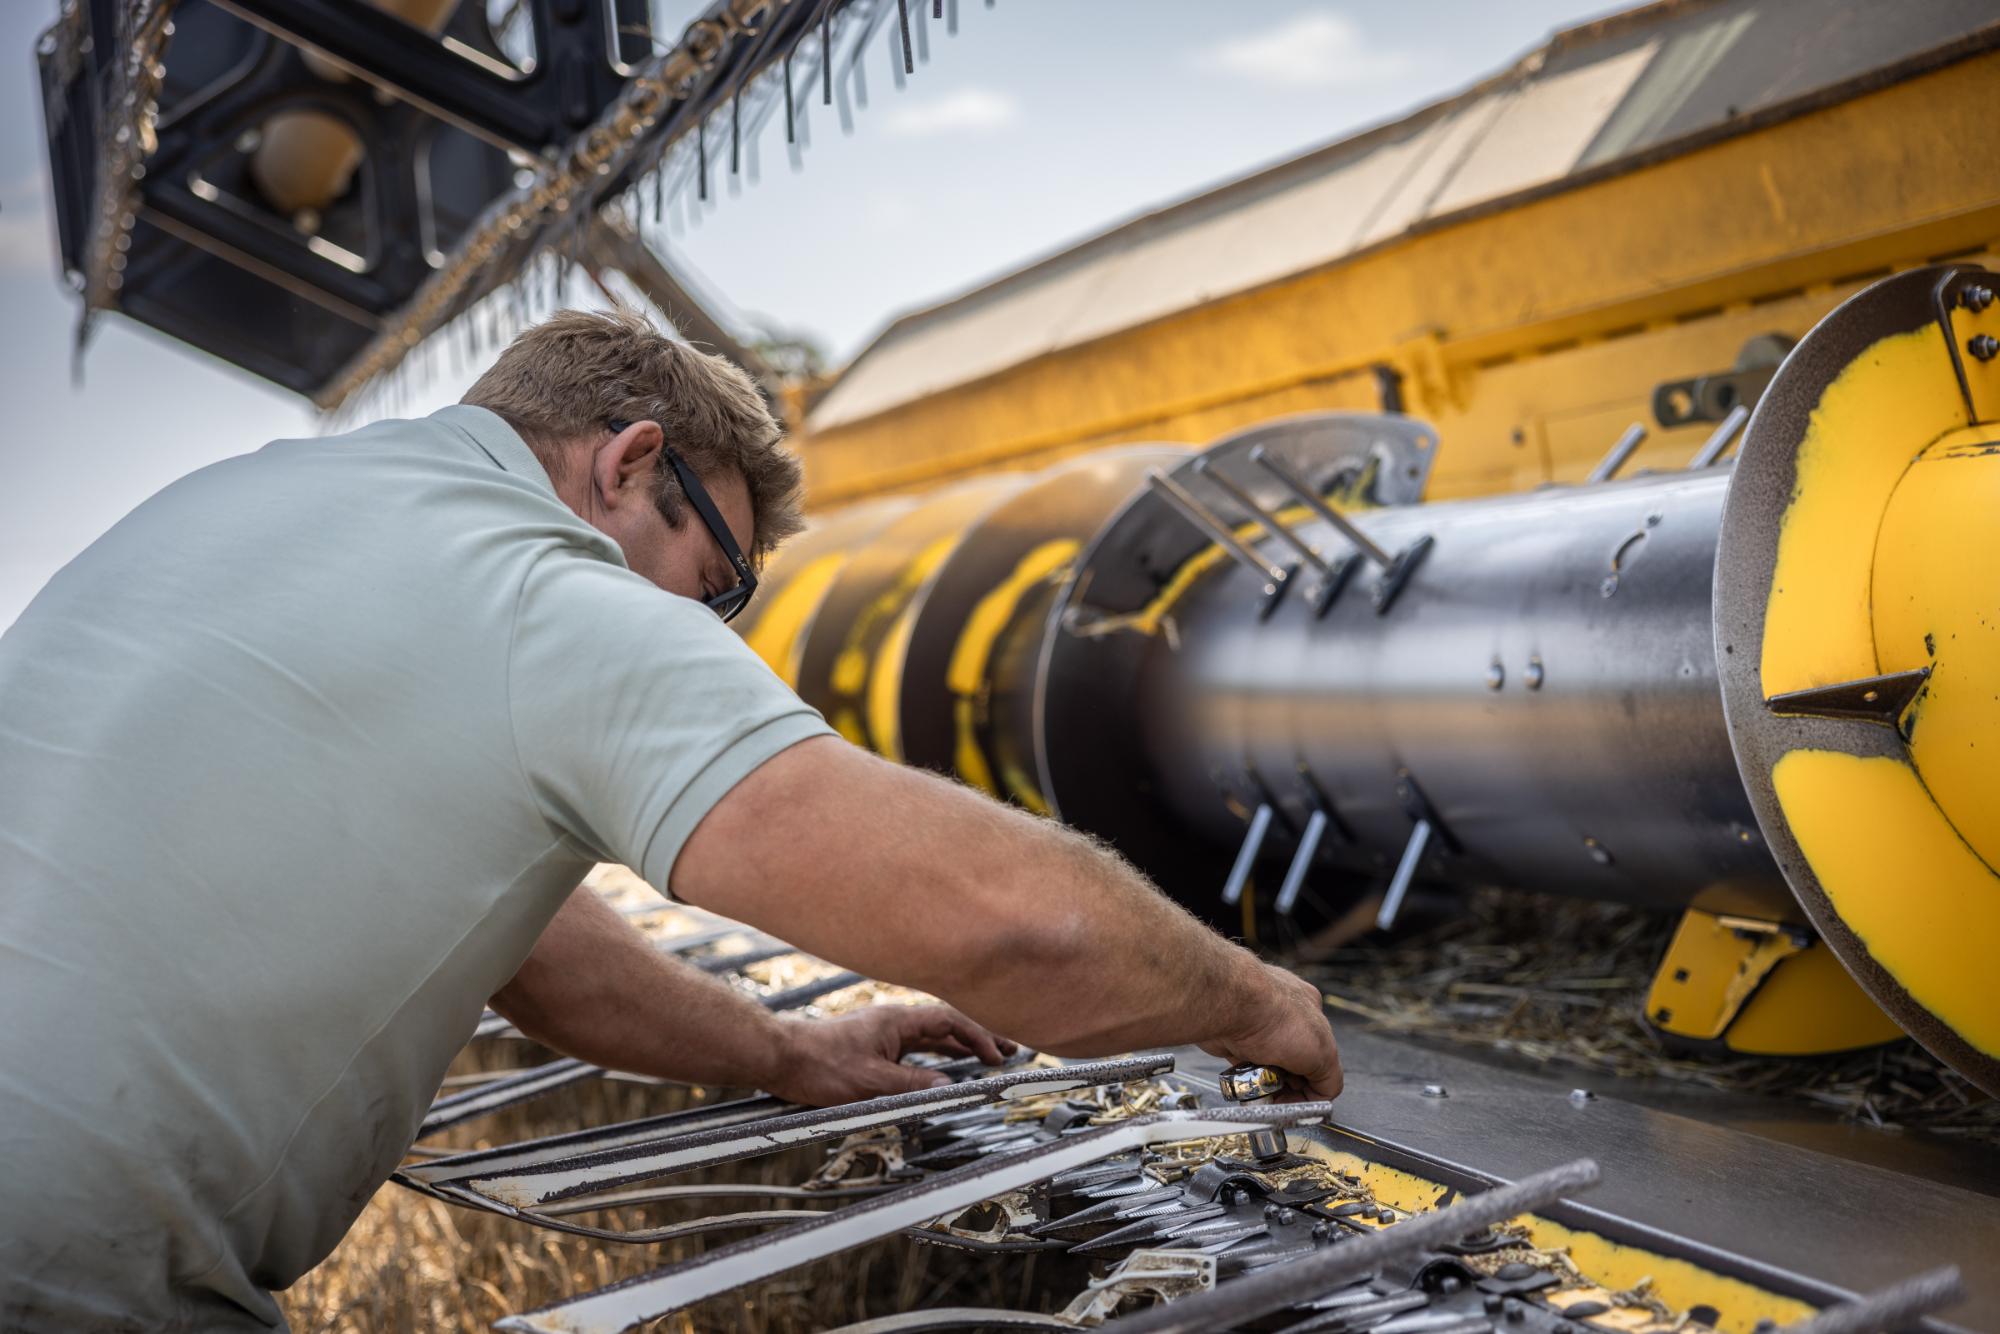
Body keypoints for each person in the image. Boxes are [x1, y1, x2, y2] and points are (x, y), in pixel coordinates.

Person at [0, 308, 1339, 1331]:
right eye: (717, 583)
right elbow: (1018, 922)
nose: (705, 628)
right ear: (632, 465)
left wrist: (789, 1051)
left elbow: (532, 943)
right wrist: (1253, 998)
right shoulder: (539, 588)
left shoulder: (246, 502)